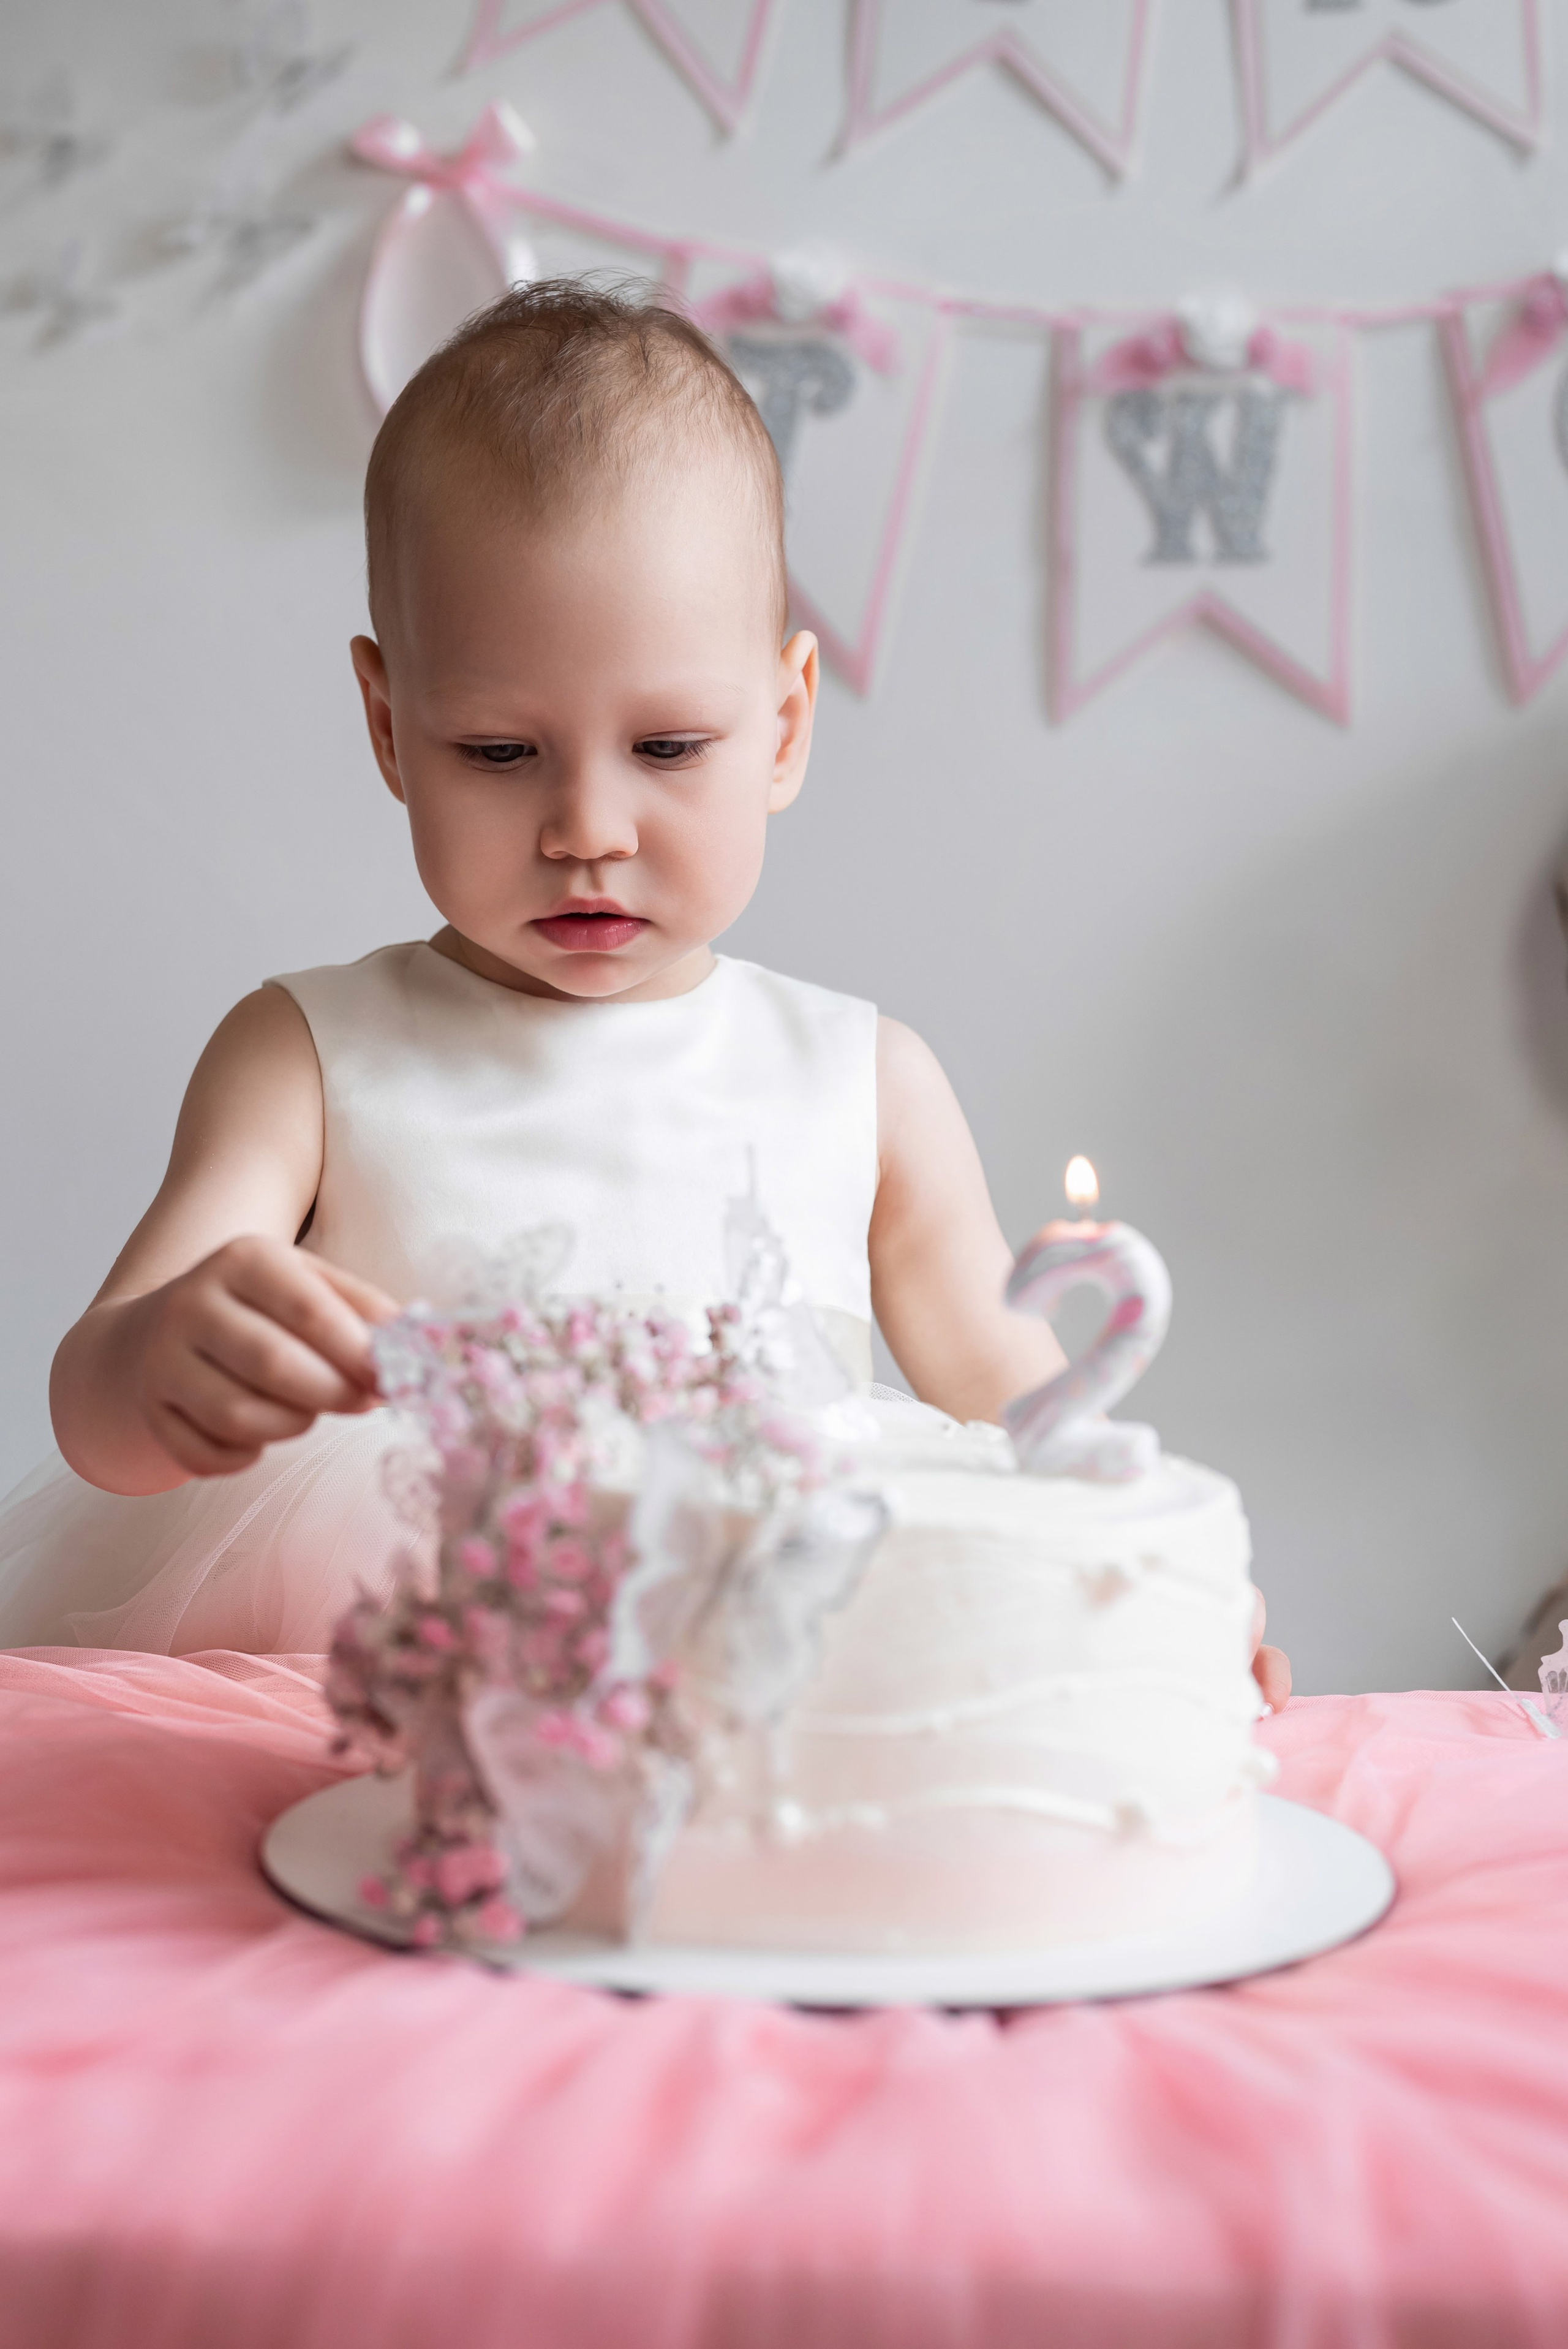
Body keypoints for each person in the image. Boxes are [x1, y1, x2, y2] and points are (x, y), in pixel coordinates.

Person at [1, 279, 1291, 1705]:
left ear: (785, 725)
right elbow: (96, 1422)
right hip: (402, 1679)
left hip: (771, 1674)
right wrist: (164, 1361)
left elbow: (1023, 1408)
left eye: (669, 747)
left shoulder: (863, 1079)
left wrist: (1162, 1596)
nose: (587, 829)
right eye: (498, 752)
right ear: (388, 725)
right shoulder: (307, 1056)